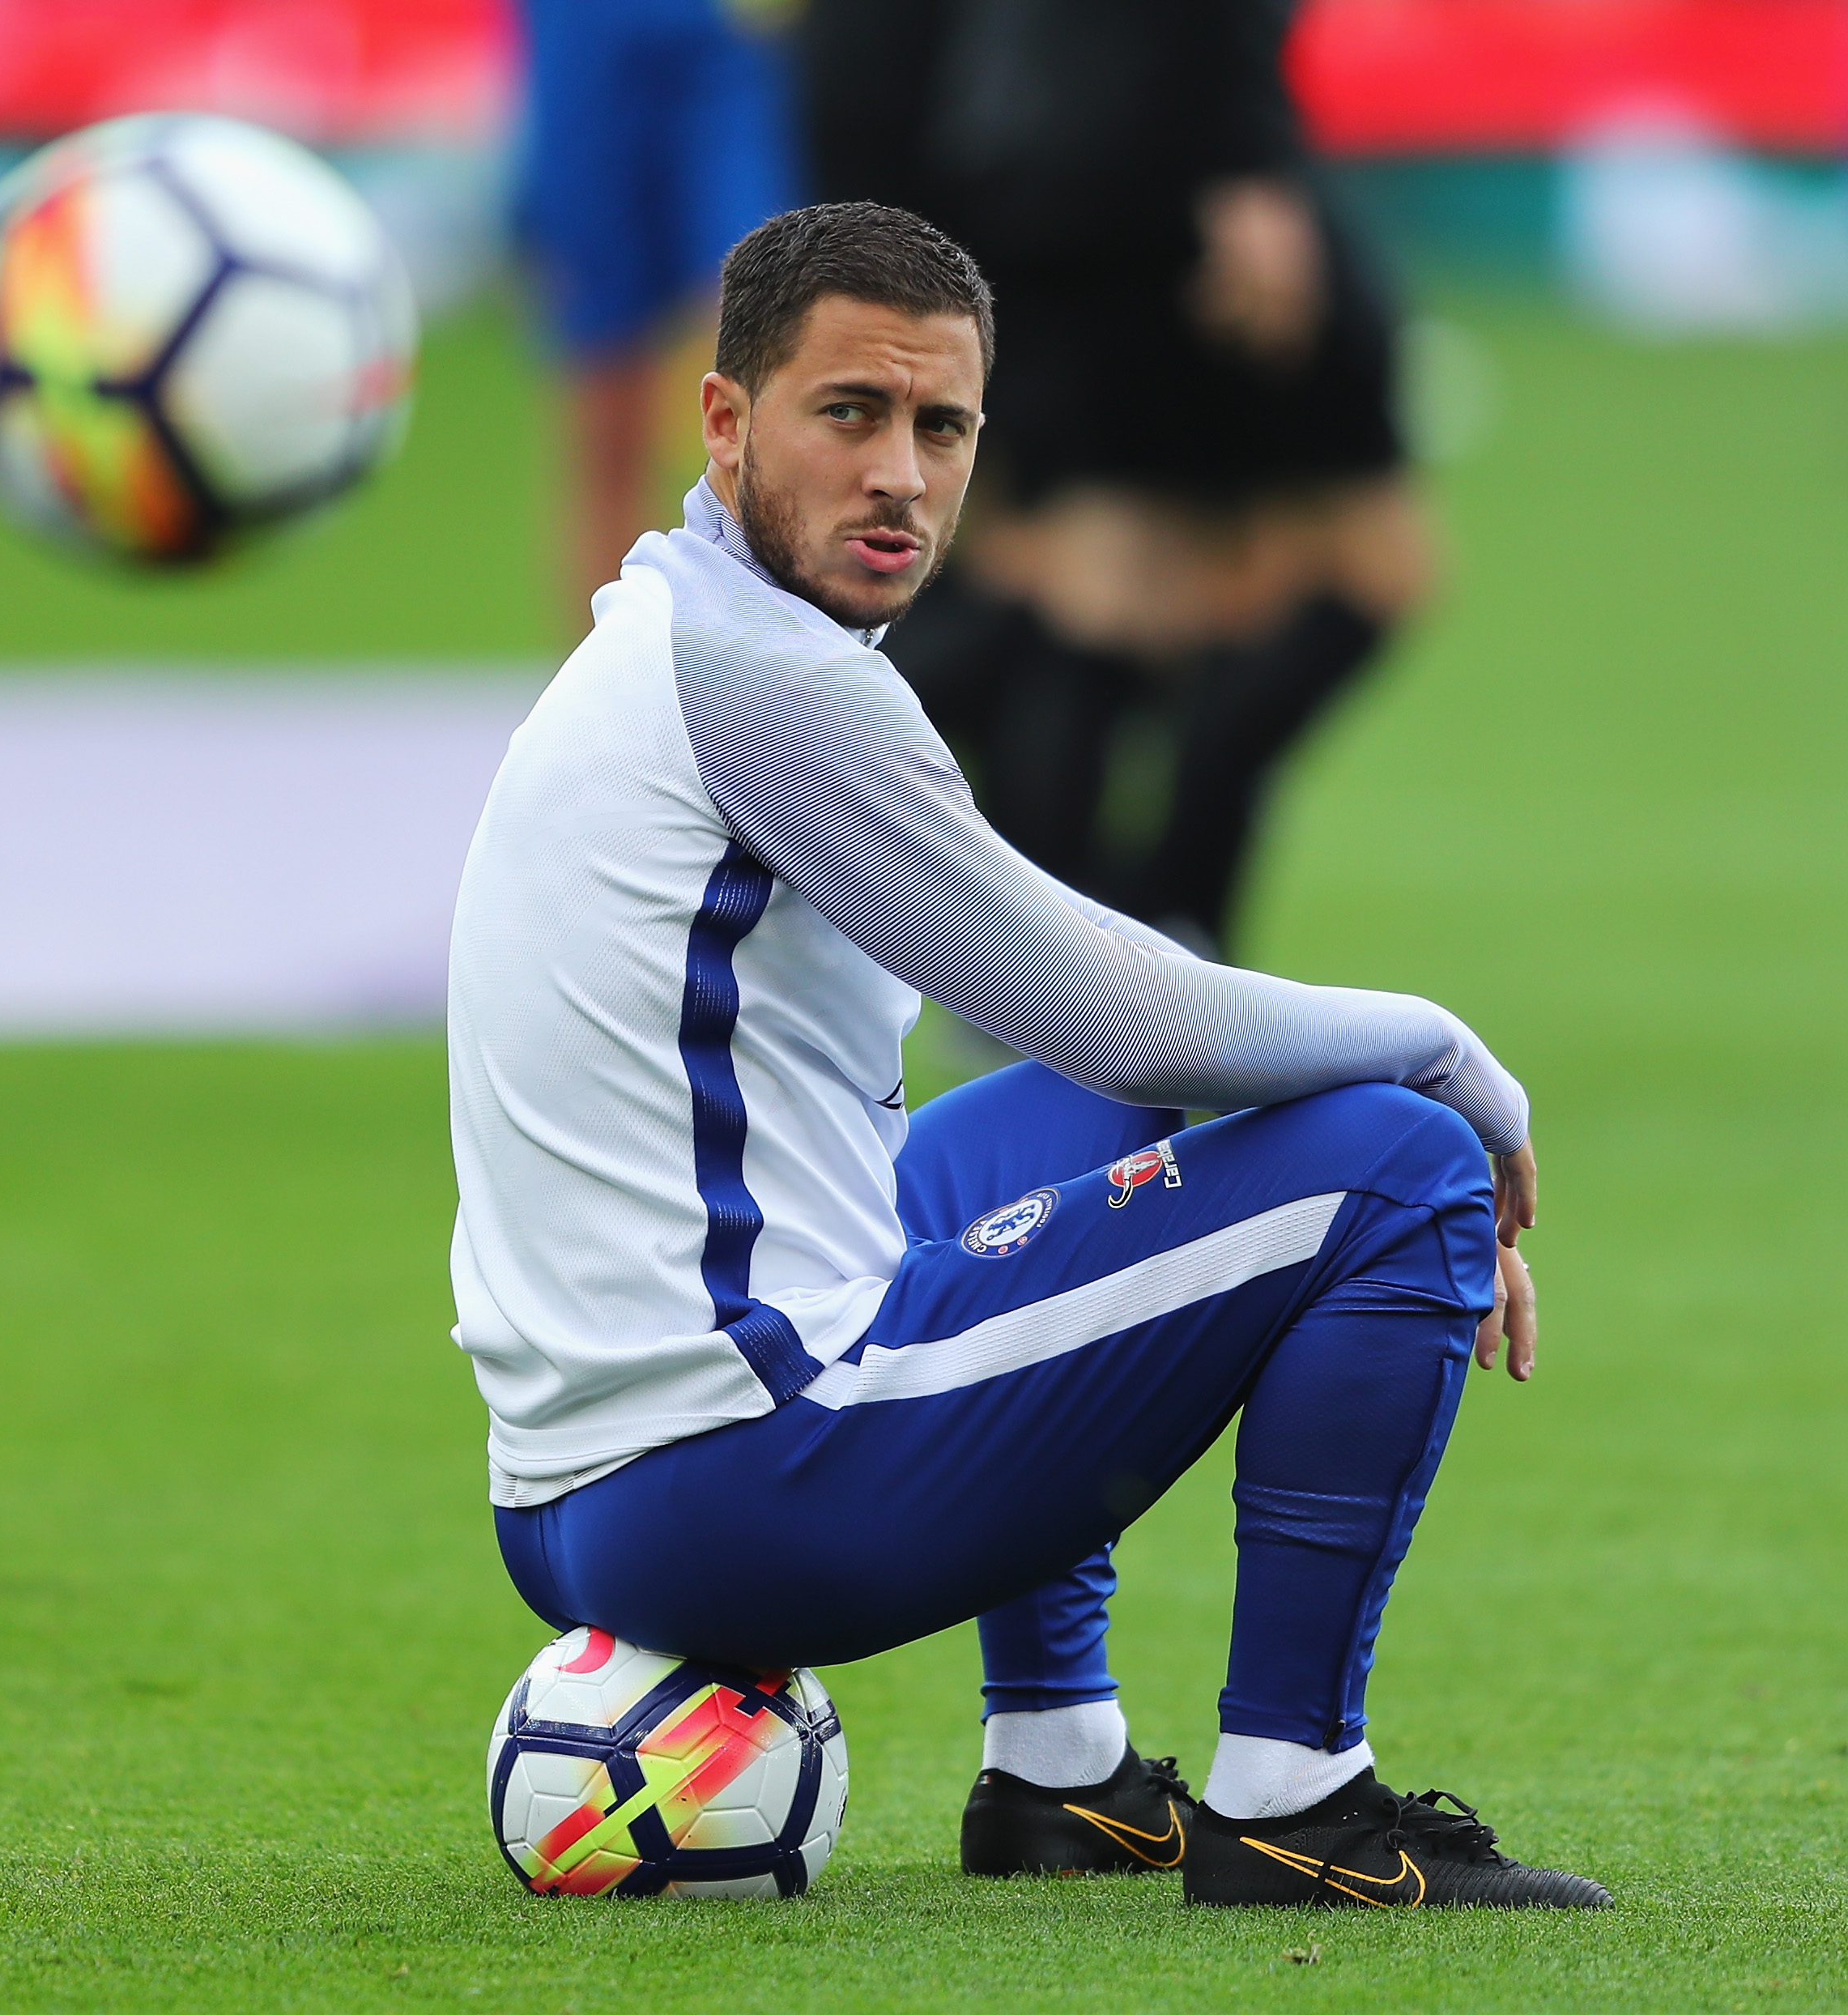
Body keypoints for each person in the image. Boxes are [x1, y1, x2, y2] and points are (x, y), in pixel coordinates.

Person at [446, 202, 1607, 1906]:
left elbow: (1107, 1038)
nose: (899, 474)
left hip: (568, 1493)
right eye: (846, 412)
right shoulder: (773, 681)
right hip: (746, 1479)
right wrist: (1446, 1051)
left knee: (1103, 1121)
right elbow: (1123, 1000)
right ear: (724, 422)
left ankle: (1058, 1768)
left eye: (941, 426)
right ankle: (1299, 1796)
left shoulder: (664, 635)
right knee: (1397, 1165)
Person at [798, 0, 1432, 959]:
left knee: (1110, 588)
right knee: (1316, 573)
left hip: (1037, 158)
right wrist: (1248, 157)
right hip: (1157, 166)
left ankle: (1089, 943)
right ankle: (1125, 936)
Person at [516, 0, 800, 628]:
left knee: (767, 332)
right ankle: (607, 705)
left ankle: (777, 689)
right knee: (606, 411)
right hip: (589, 32)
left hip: (721, 34)